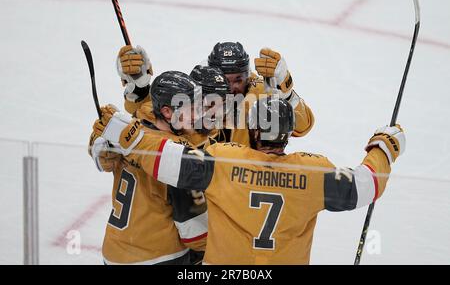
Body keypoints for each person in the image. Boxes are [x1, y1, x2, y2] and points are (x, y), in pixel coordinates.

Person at [92, 96, 405, 264]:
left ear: (253, 130)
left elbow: (172, 163)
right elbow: (367, 185)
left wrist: (129, 135)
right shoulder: (313, 172)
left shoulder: (225, 160)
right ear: (287, 134)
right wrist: (383, 149)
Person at [89, 71, 208, 264]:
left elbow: (103, 150)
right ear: (168, 112)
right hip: (160, 256)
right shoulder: (176, 154)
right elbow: (195, 232)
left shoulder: (131, 135)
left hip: (113, 252)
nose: (198, 114)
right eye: (191, 108)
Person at [207, 42, 315, 145]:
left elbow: (303, 126)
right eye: (224, 80)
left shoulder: (262, 93)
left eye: (238, 80)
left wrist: (287, 96)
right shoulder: (201, 92)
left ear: (247, 76)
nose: (230, 88)